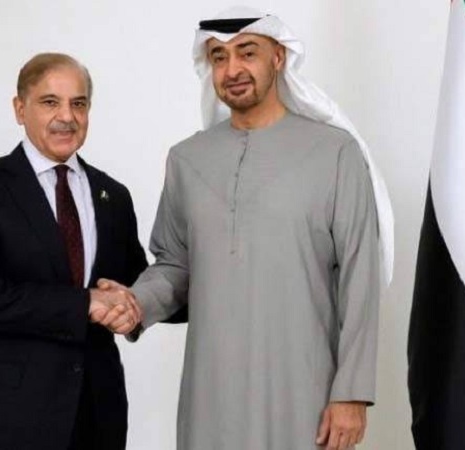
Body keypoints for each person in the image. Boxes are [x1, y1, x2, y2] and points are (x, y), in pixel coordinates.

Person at [96, 7, 394, 450]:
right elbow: (175, 265)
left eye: (247, 52)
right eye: (219, 57)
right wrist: (136, 303)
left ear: (278, 57)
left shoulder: (336, 152)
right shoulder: (187, 159)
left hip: (305, 390)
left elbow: (359, 276)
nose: (232, 69)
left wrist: (351, 393)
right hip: (211, 390)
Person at [0, 52, 144, 450]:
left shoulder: (113, 195)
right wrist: (85, 303)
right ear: (20, 109)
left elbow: (133, 286)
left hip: (96, 414)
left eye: (78, 104)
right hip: (5, 416)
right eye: (50, 102)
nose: (66, 117)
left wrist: (136, 308)